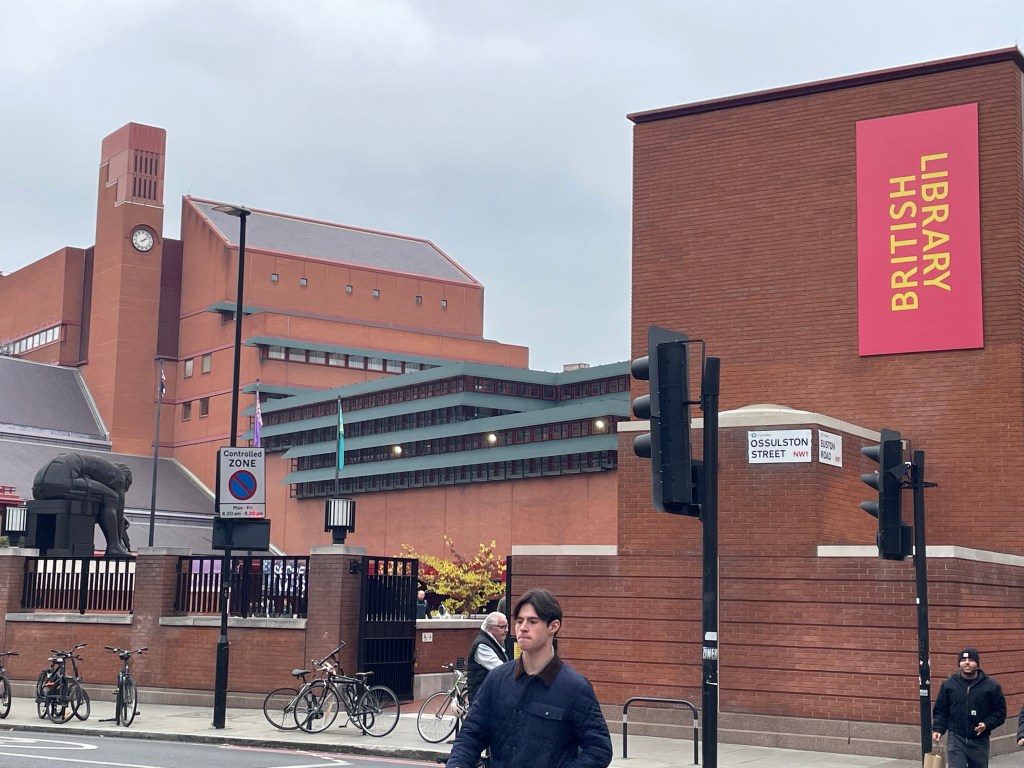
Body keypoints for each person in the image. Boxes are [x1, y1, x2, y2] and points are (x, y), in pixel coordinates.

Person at [446, 588, 612, 768]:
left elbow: (599, 750)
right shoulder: (497, 679)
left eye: (533, 621)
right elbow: (471, 734)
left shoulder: (575, 687)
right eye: (519, 621)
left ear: (553, 626)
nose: (523, 627)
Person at [32, 453, 133, 558]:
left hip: (39, 486)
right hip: (63, 480)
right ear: (126, 481)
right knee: (112, 498)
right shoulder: (119, 476)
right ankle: (114, 548)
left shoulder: (102, 468)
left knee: (102, 495)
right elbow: (119, 511)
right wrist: (119, 539)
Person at [932, 647, 1006, 768]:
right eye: (963, 660)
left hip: (979, 739)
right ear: (959, 663)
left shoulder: (991, 686)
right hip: (956, 737)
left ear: (977, 663)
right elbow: (941, 709)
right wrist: (938, 729)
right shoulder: (949, 684)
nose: (967, 663)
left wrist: (986, 724)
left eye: (971, 660)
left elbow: (1000, 713)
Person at [466, 612, 509, 703]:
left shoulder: (496, 642)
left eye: (506, 626)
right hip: (482, 701)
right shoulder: (482, 646)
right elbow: (500, 669)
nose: (506, 630)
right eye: (502, 627)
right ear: (490, 628)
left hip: (490, 698)